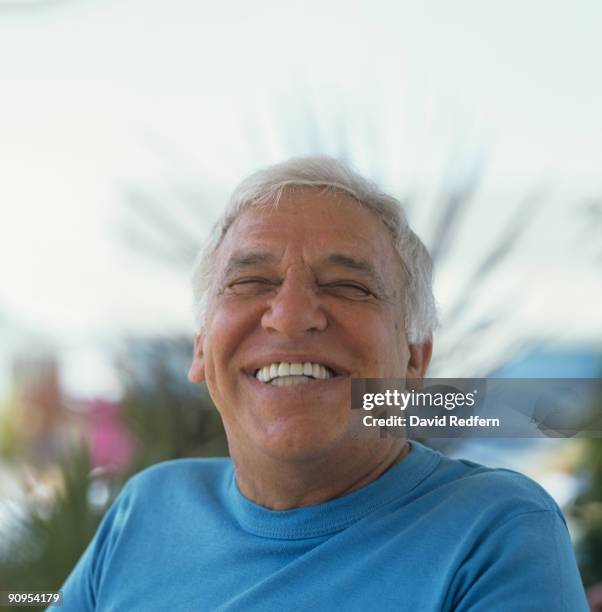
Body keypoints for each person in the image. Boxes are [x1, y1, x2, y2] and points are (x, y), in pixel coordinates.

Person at [53, 156, 588, 611]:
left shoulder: (496, 531)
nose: (290, 316)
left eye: (348, 286)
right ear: (200, 348)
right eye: (250, 282)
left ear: (413, 361)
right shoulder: (147, 508)